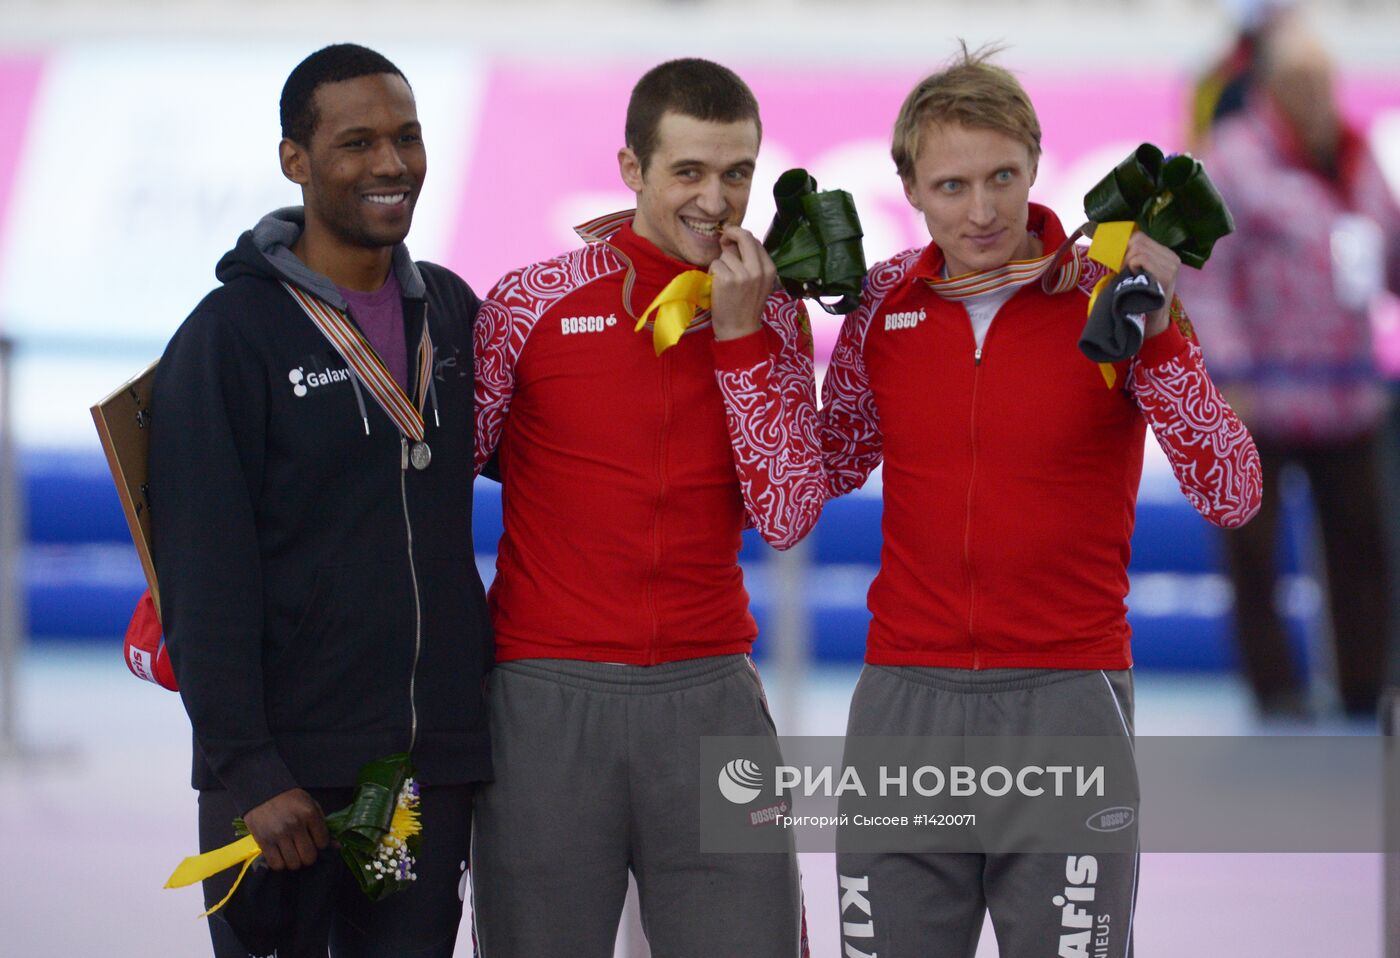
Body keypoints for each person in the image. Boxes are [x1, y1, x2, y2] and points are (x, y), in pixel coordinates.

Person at [820, 46, 1262, 956]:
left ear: (1035, 159)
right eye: (950, 186)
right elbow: (821, 470)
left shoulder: (1110, 295)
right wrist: (765, 339)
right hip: (906, 703)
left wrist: (1164, 331)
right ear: (905, 185)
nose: (980, 212)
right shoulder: (882, 308)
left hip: (1066, 702)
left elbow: (1233, 493)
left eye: (1001, 177)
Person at [470, 57, 820, 957]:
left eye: (737, 172)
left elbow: (786, 516)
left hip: (709, 693)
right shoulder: (528, 304)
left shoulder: (775, 315)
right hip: (546, 697)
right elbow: (425, 483)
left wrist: (740, 339)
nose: (716, 198)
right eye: (689, 172)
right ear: (632, 169)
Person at [149, 43, 492, 957]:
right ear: (294, 161)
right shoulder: (230, 338)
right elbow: (199, 573)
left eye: (408, 137)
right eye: (357, 143)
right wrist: (251, 770)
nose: (391, 164)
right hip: (286, 785)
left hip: (423, 777)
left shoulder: (451, 314)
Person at [1183, 16, 1400, 721]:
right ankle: (1273, 687)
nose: (1314, 92)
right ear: (1271, 85)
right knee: (1253, 550)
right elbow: (1207, 276)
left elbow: (1389, 253)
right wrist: (1230, 373)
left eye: (1323, 79)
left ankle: (1364, 686)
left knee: (1362, 545)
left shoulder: (1360, 157)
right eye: (1299, 79)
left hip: (1348, 393)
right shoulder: (1231, 159)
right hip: (1260, 395)